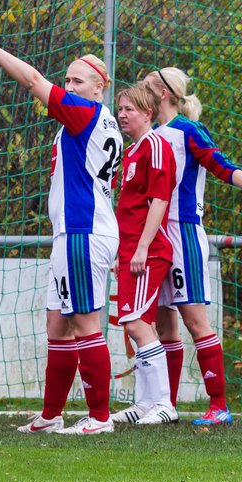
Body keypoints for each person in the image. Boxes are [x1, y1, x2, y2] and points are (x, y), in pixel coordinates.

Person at [0, 32, 121, 435]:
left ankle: (100, 417)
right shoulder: (98, 122)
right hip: (75, 233)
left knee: (85, 324)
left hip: (83, 233)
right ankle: (52, 414)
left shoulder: (86, 114)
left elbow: (32, 81)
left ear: (99, 87)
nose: (68, 87)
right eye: (66, 80)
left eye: (77, 81)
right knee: (57, 325)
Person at [143, 68, 242, 426]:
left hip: (182, 232)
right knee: (164, 326)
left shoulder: (187, 131)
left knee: (194, 320)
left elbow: (220, 165)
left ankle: (218, 406)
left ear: (162, 93)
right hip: (154, 235)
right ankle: (166, 406)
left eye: (146, 88)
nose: (140, 94)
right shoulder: (150, 135)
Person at [108, 83, 178, 425]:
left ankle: (164, 403)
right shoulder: (132, 151)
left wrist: (141, 247)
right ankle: (144, 402)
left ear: (148, 113)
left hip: (148, 252)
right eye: (120, 109)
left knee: (137, 324)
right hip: (132, 252)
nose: (122, 114)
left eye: (129, 109)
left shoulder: (157, 146)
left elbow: (159, 201)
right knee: (139, 323)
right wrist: (122, 251)